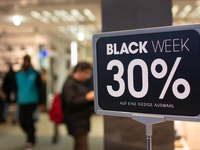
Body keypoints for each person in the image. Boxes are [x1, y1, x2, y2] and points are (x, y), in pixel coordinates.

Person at [61, 62, 94, 150]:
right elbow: (70, 101)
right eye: (86, 73)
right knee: (82, 146)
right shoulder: (70, 83)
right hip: (76, 121)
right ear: (79, 70)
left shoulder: (80, 83)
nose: (88, 76)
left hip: (81, 120)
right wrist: (87, 98)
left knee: (79, 145)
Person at [15, 55, 44, 150]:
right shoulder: (18, 74)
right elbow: (14, 88)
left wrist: (41, 102)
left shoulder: (35, 73)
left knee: (29, 121)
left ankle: (30, 141)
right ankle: (31, 132)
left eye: (28, 61)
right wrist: (13, 101)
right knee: (22, 121)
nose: (26, 63)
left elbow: (40, 88)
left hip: (32, 101)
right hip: (22, 101)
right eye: (25, 61)